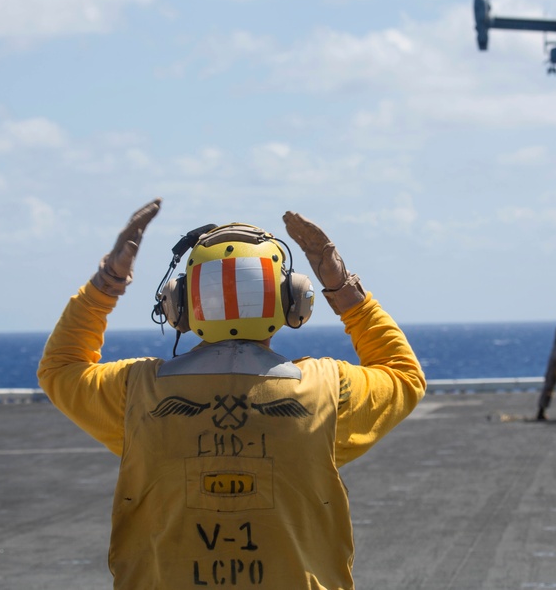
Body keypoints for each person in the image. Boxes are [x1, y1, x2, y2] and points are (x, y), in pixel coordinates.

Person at [38, 199, 426, 590]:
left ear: (178, 306)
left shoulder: (135, 392)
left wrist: (107, 283)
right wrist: (344, 291)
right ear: (294, 301)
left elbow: (61, 368)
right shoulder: (326, 390)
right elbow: (404, 375)